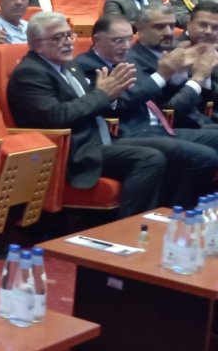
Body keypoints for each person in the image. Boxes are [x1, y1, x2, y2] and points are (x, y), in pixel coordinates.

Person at [8, 12, 167, 217]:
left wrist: (108, 96)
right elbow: (57, 117)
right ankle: (130, 226)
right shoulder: (30, 73)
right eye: (58, 37)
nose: (68, 42)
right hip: (74, 152)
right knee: (150, 159)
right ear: (38, 44)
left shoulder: (69, 65)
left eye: (69, 35)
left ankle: (169, 217)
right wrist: (103, 94)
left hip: (99, 139)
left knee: (173, 150)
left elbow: (91, 104)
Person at [73, 14, 218, 207]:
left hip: (159, 126)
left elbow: (158, 97)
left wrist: (180, 73)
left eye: (128, 39)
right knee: (203, 157)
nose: (126, 46)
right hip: (130, 133)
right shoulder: (88, 66)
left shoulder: (127, 60)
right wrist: (163, 74)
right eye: (118, 40)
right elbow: (120, 104)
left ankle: (192, 207)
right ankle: (177, 208)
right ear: (97, 39)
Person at [130, 3, 218, 130]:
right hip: (175, 126)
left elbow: (201, 98)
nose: (168, 33)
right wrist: (199, 77)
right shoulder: (133, 61)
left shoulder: (176, 49)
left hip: (199, 119)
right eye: (159, 27)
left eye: (171, 26)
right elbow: (169, 109)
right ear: (140, 29)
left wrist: (204, 75)